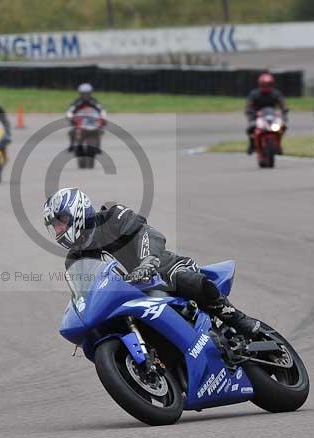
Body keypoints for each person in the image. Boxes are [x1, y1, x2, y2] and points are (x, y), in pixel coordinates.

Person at [43, 187, 260, 336]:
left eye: (60, 221)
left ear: (77, 210)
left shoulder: (112, 216)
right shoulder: (74, 258)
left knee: (185, 279)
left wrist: (147, 262)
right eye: (55, 226)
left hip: (162, 270)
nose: (59, 229)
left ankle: (237, 319)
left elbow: (147, 233)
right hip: (129, 298)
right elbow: (83, 294)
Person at [245, 73, 289, 155]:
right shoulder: (254, 94)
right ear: (260, 84)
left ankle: (278, 145)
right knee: (250, 128)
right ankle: (252, 145)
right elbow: (249, 105)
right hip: (258, 117)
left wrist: (284, 110)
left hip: (272, 116)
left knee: (283, 126)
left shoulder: (276, 93)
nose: (266, 86)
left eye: (268, 84)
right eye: (264, 84)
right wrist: (250, 112)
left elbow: (283, 104)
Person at [66, 83, 107, 152]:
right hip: (80, 120)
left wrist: (103, 118)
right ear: (80, 94)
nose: (85, 96)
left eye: (87, 94)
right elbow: (70, 111)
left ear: (90, 93)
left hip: (92, 121)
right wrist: (70, 117)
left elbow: (102, 110)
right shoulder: (77, 102)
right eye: (83, 94)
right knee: (71, 132)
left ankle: (98, 145)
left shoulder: (94, 101)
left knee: (101, 131)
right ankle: (72, 145)